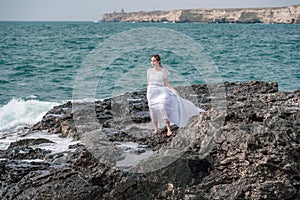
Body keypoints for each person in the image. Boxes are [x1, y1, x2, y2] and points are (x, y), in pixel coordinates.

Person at [146, 54, 205, 136]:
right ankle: (156, 129)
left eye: (154, 61)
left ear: (158, 61)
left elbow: (167, 84)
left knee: (162, 106)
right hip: (151, 93)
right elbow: (148, 83)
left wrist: (174, 90)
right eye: (151, 61)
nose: (152, 63)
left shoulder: (164, 71)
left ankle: (168, 128)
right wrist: (147, 94)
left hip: (161, 91)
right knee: (152, 109)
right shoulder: (149, 71)